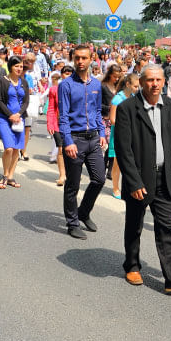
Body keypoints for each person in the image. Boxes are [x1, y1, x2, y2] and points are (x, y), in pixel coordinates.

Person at [114, 64, 171, 293]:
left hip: (164, 177)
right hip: (139, 179)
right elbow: (124, 150)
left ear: (164, 82)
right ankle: (132, 265)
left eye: (158, 80)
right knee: (134, 225)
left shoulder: (169, 105)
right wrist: (133, 182)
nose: (154, 84)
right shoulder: (127, 108)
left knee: (166, 226)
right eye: (150, 80)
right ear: (141, 82)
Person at [58, 44, 107, 239]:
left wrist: (102, 132)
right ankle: (72, 223)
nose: (80, 61)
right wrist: (67, 141)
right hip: (75, 140)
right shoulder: (66, 85)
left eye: (84, 58)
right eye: (77, 58)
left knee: (99, 179)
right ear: (73, 59)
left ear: (91, 59)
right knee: (73, 185)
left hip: (93, 138)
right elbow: (63, 116)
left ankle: (83, 212)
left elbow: (97, 111)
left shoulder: (96, 85)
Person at [0, 56, 30, 189]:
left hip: (19, 119)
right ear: (10, 67)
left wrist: (19, 114)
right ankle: (4, 175)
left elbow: (26, 101)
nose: (19, 69)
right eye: (16, 66)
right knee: (8, 148)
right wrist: (10, 115)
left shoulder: (24, 82)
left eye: (21, 66)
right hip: (4, 118)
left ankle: (11, 176)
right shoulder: (2, 81)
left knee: (16, 148)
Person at [109, 73, 140, 199]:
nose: (137, 89)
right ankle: (115, 188)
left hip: (131, 135)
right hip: (118, 135)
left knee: (129, 162)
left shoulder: (134, 98)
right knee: (117, 163)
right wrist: (127, 125)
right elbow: (112, 119)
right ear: (128, 84)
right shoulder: (118, 99)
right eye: (136, 86)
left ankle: (127, 187)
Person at [46, 69, 73, 186]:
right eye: (66, 73)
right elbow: (51, 108)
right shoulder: (54, 89)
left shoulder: (77, 89)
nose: (68, 76)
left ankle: (71, 174)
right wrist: (50, 123)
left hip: (73, 124)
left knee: (72, 150)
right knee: (61, 149)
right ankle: (62, 175)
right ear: (62, 75)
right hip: (58, 123)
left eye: (70, 74)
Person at [101, 64, 122, 179]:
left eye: (118, 77)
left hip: (116, 120)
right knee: (107, 145)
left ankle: (110, 170)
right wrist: (109, 108)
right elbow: (97, 104)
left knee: (113, 147)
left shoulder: (119, 88)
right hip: (105, 119)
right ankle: (102, 168)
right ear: (110, 75)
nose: (116, 79)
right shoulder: (103, 86)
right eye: (114, 76)